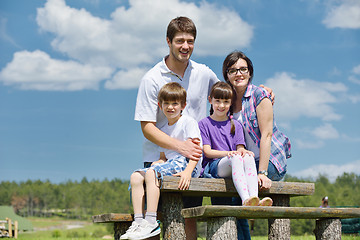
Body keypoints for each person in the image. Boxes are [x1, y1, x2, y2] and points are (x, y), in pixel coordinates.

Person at [134, 16, 275, 239]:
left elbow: (227, 91)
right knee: (158, 218)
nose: (185, 46)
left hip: (195, 161)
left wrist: (261, 91)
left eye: (190, 41)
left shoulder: (204, 73)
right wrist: (181, 147)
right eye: (179, 40)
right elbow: (147, 127)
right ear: (168, 41)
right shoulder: (152, 78)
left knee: (188, 216)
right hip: (159, 158)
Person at [222, 51, 292, 239]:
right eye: (233, 70)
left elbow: (266, 135)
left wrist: (262, 172)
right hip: (245, 161)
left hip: (268, 162)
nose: (239, 74)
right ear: (226, 75)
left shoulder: (259, 95)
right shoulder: (225, 101)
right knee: (229, 196)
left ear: (250, 72)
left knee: (235, 194)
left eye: (243, 69)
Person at [121, 82, 202, 240]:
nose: (170, 107)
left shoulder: (188, 122)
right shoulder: (163, 129)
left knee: (152, 174)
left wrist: (188, 172)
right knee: (136, 176)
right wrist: (159, 161)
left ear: (183, 106)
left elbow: (196, 152)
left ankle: (151, 221)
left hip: (188, 164)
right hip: (172, 163)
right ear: (160, 105)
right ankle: (139, 222)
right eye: (166, 103)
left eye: (175, 104)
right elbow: (164, 156)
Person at [199, 82, 273, 207]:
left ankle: (254, 198)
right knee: (236, 157)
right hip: (214, 166)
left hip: (234, 162)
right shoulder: (204, 123)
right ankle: (245, 199)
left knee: (248, 156)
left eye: (226, 102)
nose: (221, 106)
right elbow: (207, 151)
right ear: (210, 100)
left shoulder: (236, 125)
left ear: (231, 103)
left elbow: (240, 148)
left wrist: (244, 151)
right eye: (217, 101)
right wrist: (229, 153)